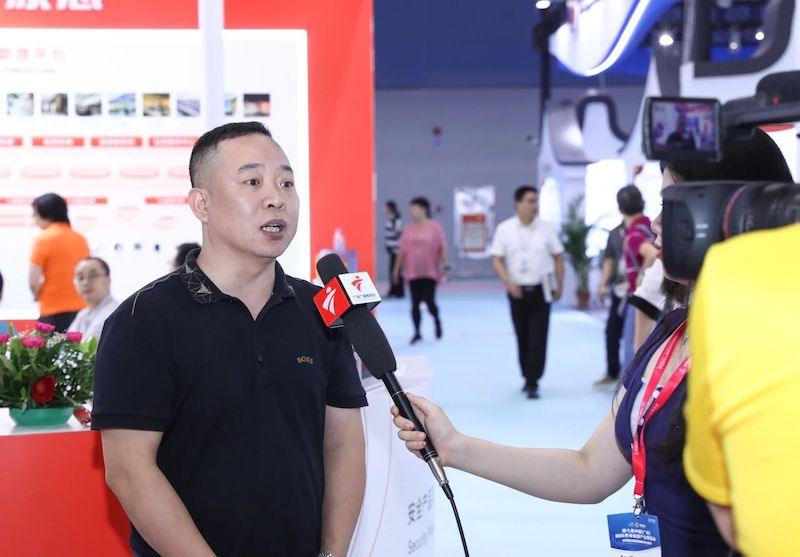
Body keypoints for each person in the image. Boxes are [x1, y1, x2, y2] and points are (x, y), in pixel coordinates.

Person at [392, 128, 792, 556]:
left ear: (736, 215)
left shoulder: (772, 351)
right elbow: (589, 470)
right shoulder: (671, 333)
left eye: (671, 205)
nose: (655, 223)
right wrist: (456, 448)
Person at [92, 122, 367, 557]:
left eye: (286, 183)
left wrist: (332, 552)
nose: (276, 198)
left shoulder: (321, 310)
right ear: (201, 204)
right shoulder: (142, 320)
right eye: (252, 182)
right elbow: (129, 471)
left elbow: (344, 443)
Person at [491, 185, 564, 399]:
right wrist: (507, 282)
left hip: (542, 290)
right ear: (518, 203)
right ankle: (526, 376)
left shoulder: (546, 228)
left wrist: (559, 284)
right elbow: (497, 259)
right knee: (522, 335)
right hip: (517, 291)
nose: (535, 205)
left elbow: (558, 256)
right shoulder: (505, 229)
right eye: (530, 201)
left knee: (538, 337)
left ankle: (534, 380)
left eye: (536, 201)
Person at [29, 193, 90, 332]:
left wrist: (39, 295)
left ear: (46, 214)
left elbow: (33, 282)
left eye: (35, 214)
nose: (34, 218)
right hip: (81, 308)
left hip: (52, 310)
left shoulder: (43, 239)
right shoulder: (81, 239)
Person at [392, 196, 449, 344]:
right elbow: (401, 251)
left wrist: (446, 265)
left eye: (414, 208)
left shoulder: (434, 227)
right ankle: (417, 332)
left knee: (429, 301)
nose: (411, 211)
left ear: (424, 209)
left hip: (430, 271)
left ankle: (436, 319)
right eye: (411, 209)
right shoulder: (408, 229)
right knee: (415, 303)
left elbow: (441, 248)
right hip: (413, 271)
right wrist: (396, 270)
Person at [618, 185, 658, 369]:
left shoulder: (633, 235)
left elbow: (651, 254)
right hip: (655, 297)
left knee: (632, 351)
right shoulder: (651, 228)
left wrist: (641, 275)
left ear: (620, 208)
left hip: (639, 298)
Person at [594, 221, 626, 387]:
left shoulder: (646, 228)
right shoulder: (615, 233)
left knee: (636, 335)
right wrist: (603, 283)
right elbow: (609, 260)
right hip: (619, 289)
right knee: (612, 331)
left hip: (641, 290)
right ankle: (613, 372)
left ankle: (634, 376)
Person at [68, 257, 119, 341]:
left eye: (93, 276)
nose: (85, 282)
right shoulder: (82, 314)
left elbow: (90, 345)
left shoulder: (114, 313)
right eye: (80, 278)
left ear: (108, 280)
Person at [383, 200, 404, 298]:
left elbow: (399, 234)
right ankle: (393, 289)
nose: (384, 209)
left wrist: (398, 246)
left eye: (385, 207)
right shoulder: (391, 219)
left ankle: (399, 291)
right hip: (392, 250)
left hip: (397, 250)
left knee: (397, 270)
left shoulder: (396, 220)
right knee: (392, 270)